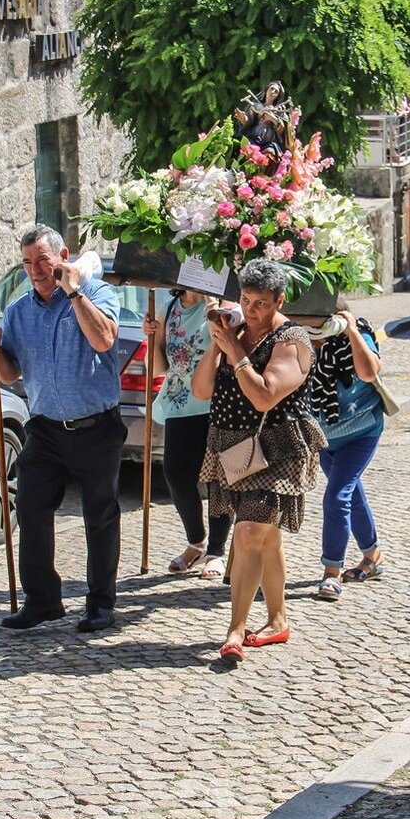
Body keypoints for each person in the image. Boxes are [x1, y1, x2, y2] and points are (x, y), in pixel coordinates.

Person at [0, 225, 126, 632]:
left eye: (42, 260)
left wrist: (75, 292)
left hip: (96, 426)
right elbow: (8, 375)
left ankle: (100, 604)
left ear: (63, 255)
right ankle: (43, 600)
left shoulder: (96, 293)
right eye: (27, 263)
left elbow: (103, 339)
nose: (36, 270)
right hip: (44, 427)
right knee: (30, 507)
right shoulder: (18, 311)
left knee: (99, 514)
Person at [193, 258, 326, 663]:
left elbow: (265, 395)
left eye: (261, 304)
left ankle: (235, 629)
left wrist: (234, 350)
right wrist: (218, 345)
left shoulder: (293, 340)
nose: (250, 310)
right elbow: (201, 391)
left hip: (279, 448)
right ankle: (278, 619)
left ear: (279, 301)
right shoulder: (234, 334)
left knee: (249, 532)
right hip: (234, 445)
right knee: (266, 538)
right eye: (246, 300)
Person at [142, 290, 232, 581]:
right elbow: (156, 367)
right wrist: (151, 337)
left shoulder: (222, 305)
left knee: (219, 479)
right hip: (181, 402)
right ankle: (197, 541)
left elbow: (230, 347)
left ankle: (216, 552)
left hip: (217, 404)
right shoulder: (169, 309)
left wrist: (213, 306)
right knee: (177, 475)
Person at [300, 307, 385, 602]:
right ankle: (373, 556)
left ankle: (331, 573)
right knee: (352, 496)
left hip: (361, 432)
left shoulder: (356, 335)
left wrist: (350, 331)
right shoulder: (301, 339)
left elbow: (369, 371)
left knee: (337, 497)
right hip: (325, 437)